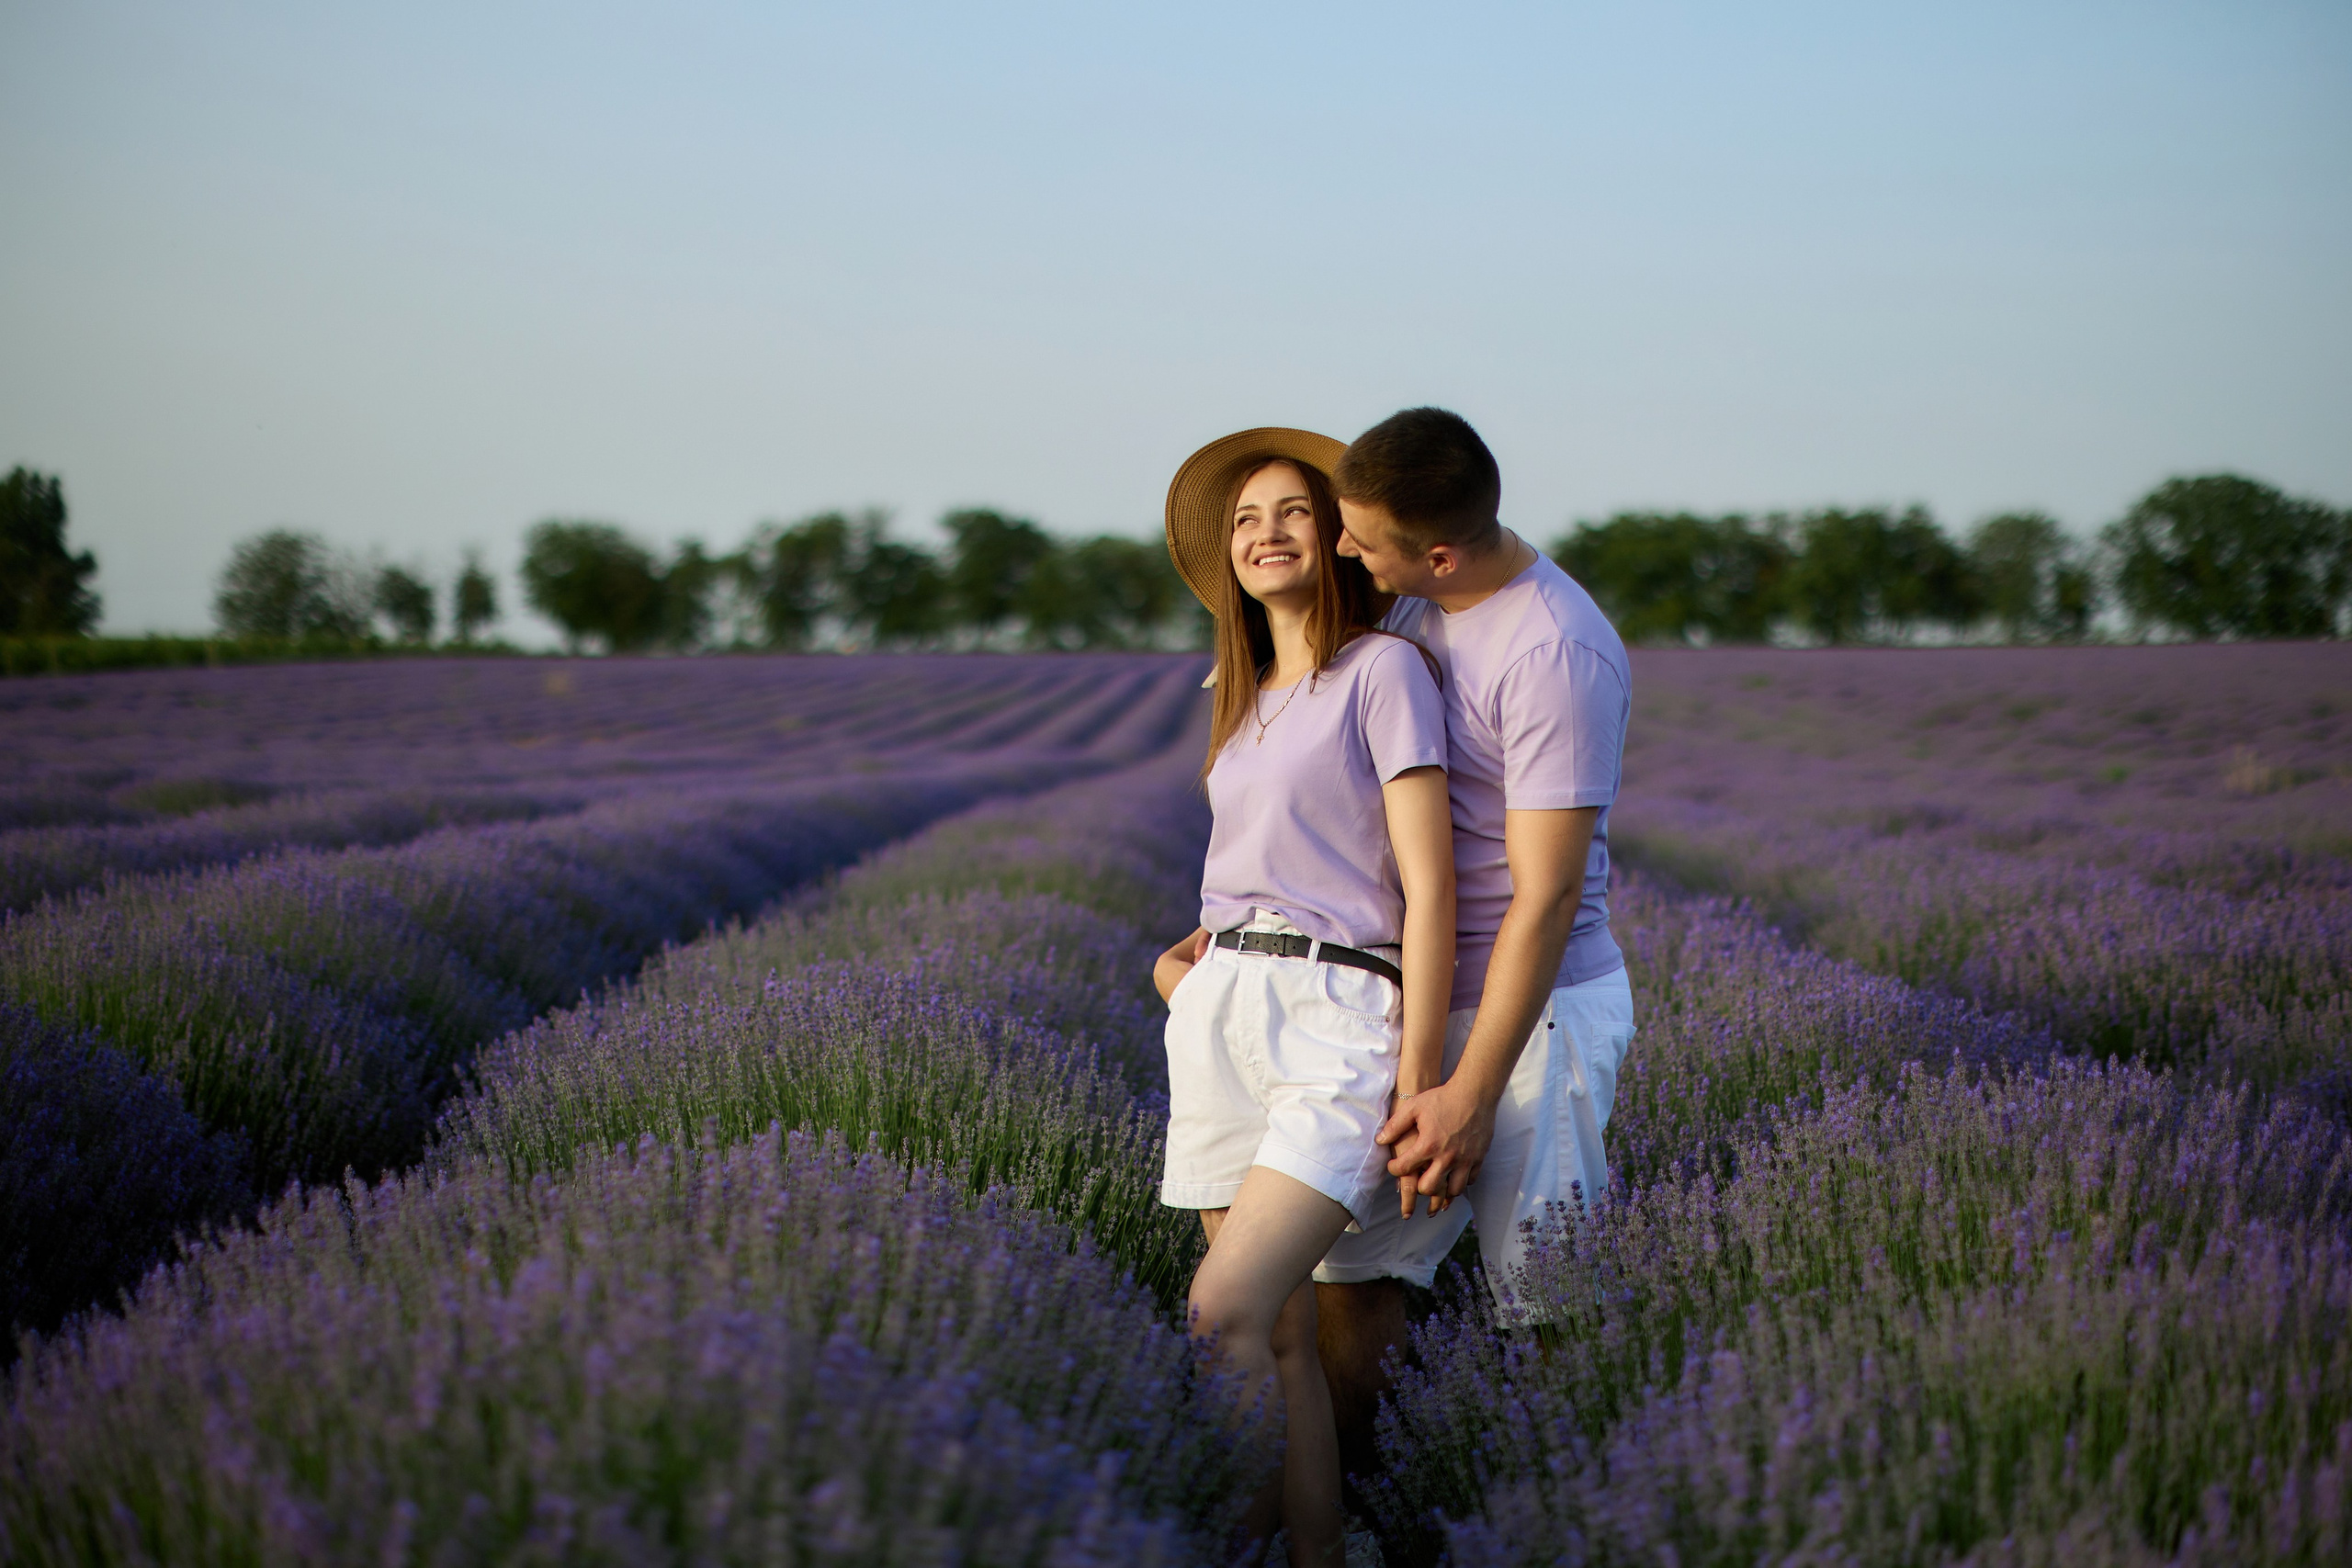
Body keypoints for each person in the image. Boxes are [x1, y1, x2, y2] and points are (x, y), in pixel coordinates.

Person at [1318, 406, 1637, 1529]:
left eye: (1363, 538)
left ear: (1441, 552)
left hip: (1534, 1020)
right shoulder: (1420, 602)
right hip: (1414, 997)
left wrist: (1467, 1090)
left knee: (1545, 1305)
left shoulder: (1552, 649)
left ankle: (1560, 1524)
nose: (1345, 550)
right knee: (1355, 1269)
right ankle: (1372, 1523)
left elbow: (1543, 897)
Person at [1153, 427, 1456, 1568]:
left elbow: (1429, 886)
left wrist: (1421, 1073)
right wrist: (1178, 977)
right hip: (1219, 1013)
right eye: (1244, 520)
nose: (1264, 533)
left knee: (1220, 1313)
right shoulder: (1239, 695)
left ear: (1333, 538)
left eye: (1290, 512)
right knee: (1277, 1336)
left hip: (1338, 1018)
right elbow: (1241, 872)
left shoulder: (1382, 672)